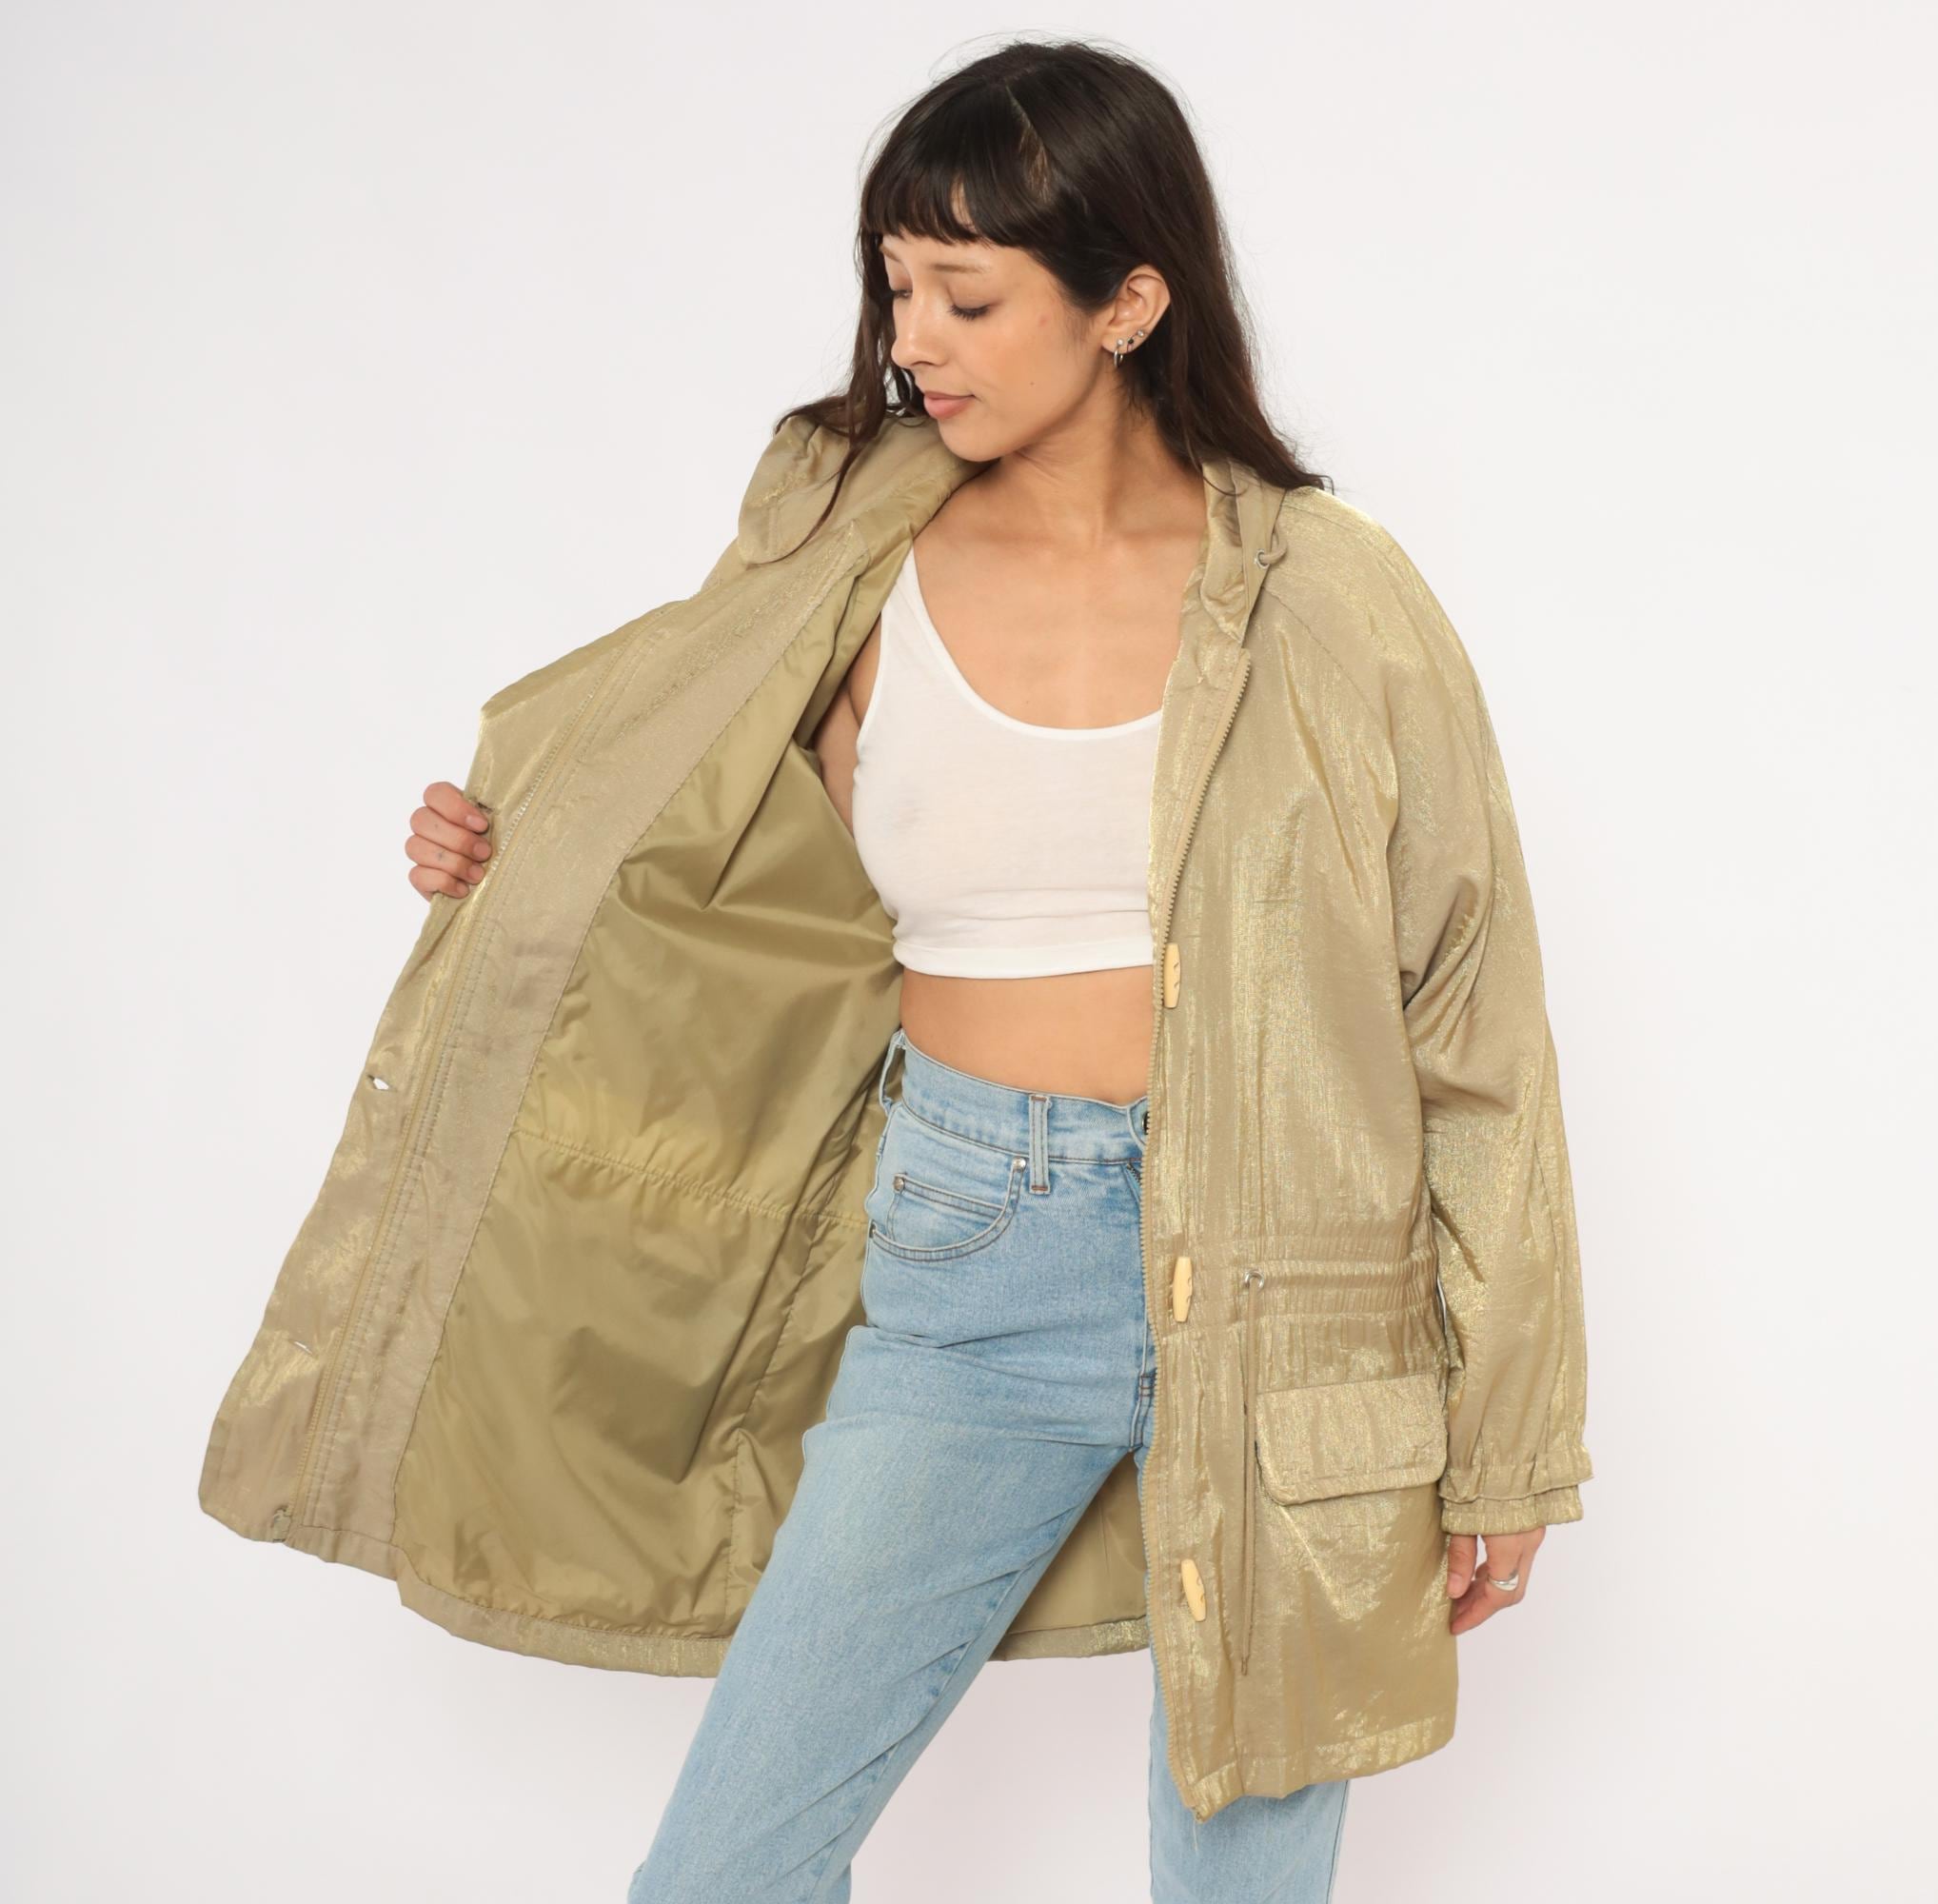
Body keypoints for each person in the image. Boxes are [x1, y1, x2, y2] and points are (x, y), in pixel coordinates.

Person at [388, 39, 1588, 1904]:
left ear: (1128, 301)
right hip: (972, 1257)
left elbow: (1471, 1013)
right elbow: (690, 825)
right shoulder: (841, 541)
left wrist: (1506, 1441)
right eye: (894, 288)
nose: (913, 341)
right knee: (725, 1872)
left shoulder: (1332, 593)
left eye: (965, 295)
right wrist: (503, 855)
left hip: (1300, 1284)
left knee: (1243, 1883)